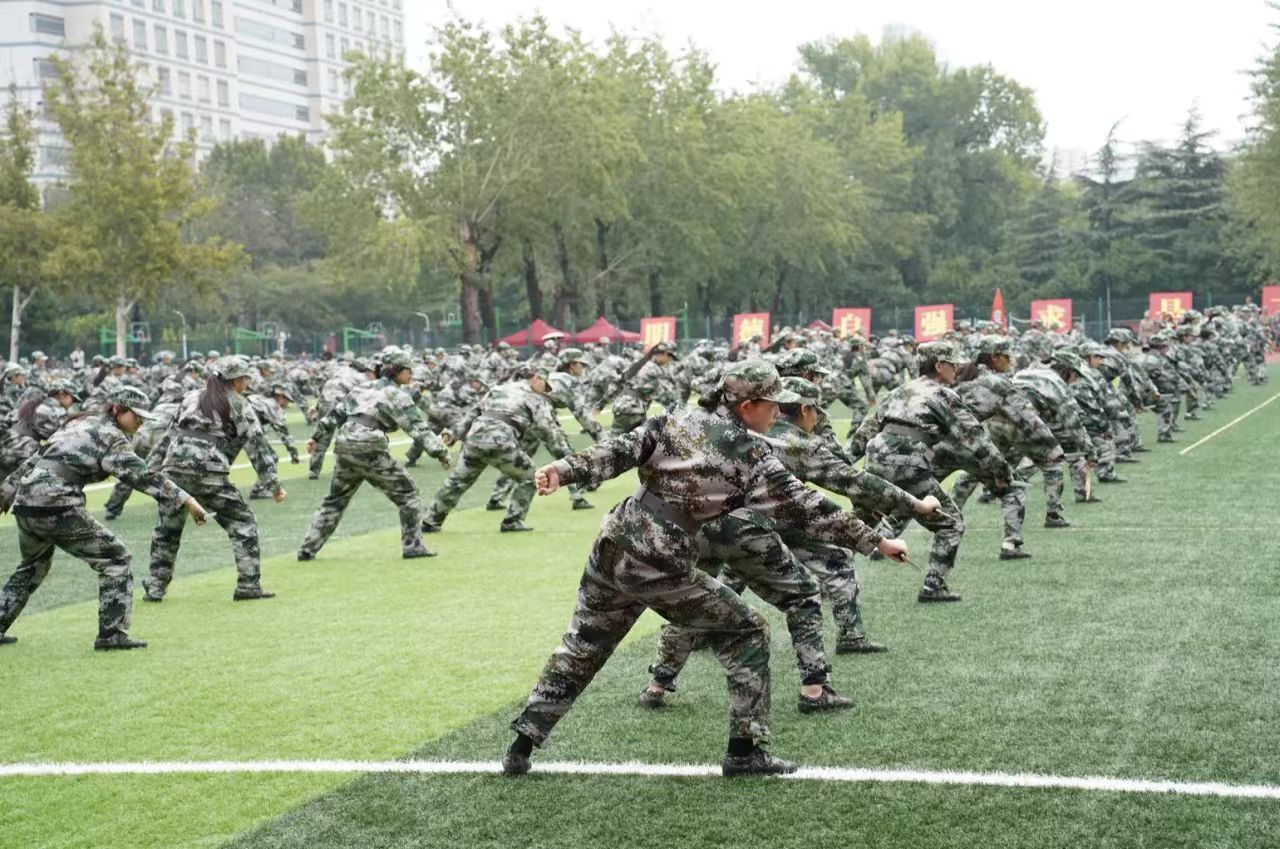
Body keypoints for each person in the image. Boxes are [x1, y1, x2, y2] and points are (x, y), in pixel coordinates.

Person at [502, 361, 909, 779]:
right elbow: (810, 508)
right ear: (748, 405)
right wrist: (877, 541)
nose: (778, 412)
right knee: (749, 631)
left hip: (616, 541)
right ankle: (745, 752)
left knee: (584, 643)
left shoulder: (675, 418)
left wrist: (563, 470)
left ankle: (521, 746)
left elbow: (620, 449)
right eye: (772, 404)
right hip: (659, 559)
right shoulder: (751, 455)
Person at [0, 386, 207, 650]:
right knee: (116, 559)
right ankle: (111, 634)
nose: (140, 422)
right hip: (56, 502)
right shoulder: (112, 437)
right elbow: (142, 476)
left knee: (32, 566)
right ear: (117, 410)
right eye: (136, 416)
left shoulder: (78, 424)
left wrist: (6, 492)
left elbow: (36, 458)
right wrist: (187, 500)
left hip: (26, 503)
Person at [849, 340, 1011, 602]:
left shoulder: (899, 391)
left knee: (860, 523)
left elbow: (866, 431)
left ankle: (826, 577)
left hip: (875, 457)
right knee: (950, 524)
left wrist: (845, 462)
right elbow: (976, 438)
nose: (956, 369)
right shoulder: (944, 394)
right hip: (907, 461)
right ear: (938, 366)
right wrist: (1001, 472)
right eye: (952, 364)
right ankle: (933, 586)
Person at [145, 355, 285, 602]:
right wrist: (273, 485)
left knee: (167, 530)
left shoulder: (191, 397)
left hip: (173, 468)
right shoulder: (238, 403)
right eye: (245, 378)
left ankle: (155, 587)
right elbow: (256, 445)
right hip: (208, 470)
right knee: (242, 522)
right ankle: (248, 585)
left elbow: (168, 437)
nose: (247, 383)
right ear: (237, 380)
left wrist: (149, 471)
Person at [298, 349, 451, 561]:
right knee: (408, 495)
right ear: (397, 371)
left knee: (335, 500)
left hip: (345, 444)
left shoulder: (361, 388)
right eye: (408, 369)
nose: (411, 373)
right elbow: (417, 428)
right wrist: (441, 452)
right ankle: (413, 546)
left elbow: (335, 414)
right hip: (370, 445)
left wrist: (315, 437)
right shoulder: (398, 395)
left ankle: (308, 548)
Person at [422, 364, 572, 534]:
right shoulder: (536, 399)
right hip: (500, 442)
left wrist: (454, 433)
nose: (545, 391)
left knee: (457, 482)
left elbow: (474, 412)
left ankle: (430, 521)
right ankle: (512, 520)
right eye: (545, 386)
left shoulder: (498, 389)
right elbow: (549, 433)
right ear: (537, 379)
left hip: (474, 440)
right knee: (531, 478)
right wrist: (568, 459)